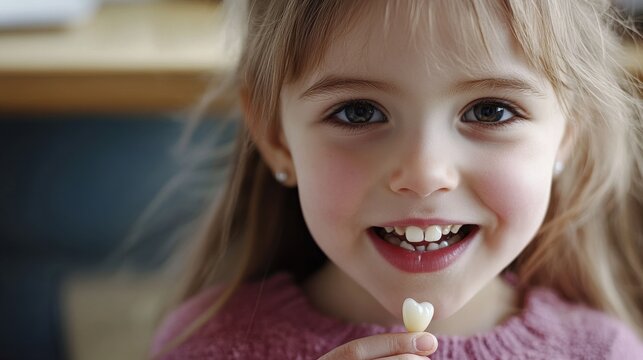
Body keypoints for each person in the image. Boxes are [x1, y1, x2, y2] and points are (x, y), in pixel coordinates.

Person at [150, 0, 643, 358]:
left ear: (567, 134)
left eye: (491, 110)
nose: (424, 174)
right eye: (359, 112)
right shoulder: (206, 346)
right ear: (276, 137)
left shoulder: (603, 351)